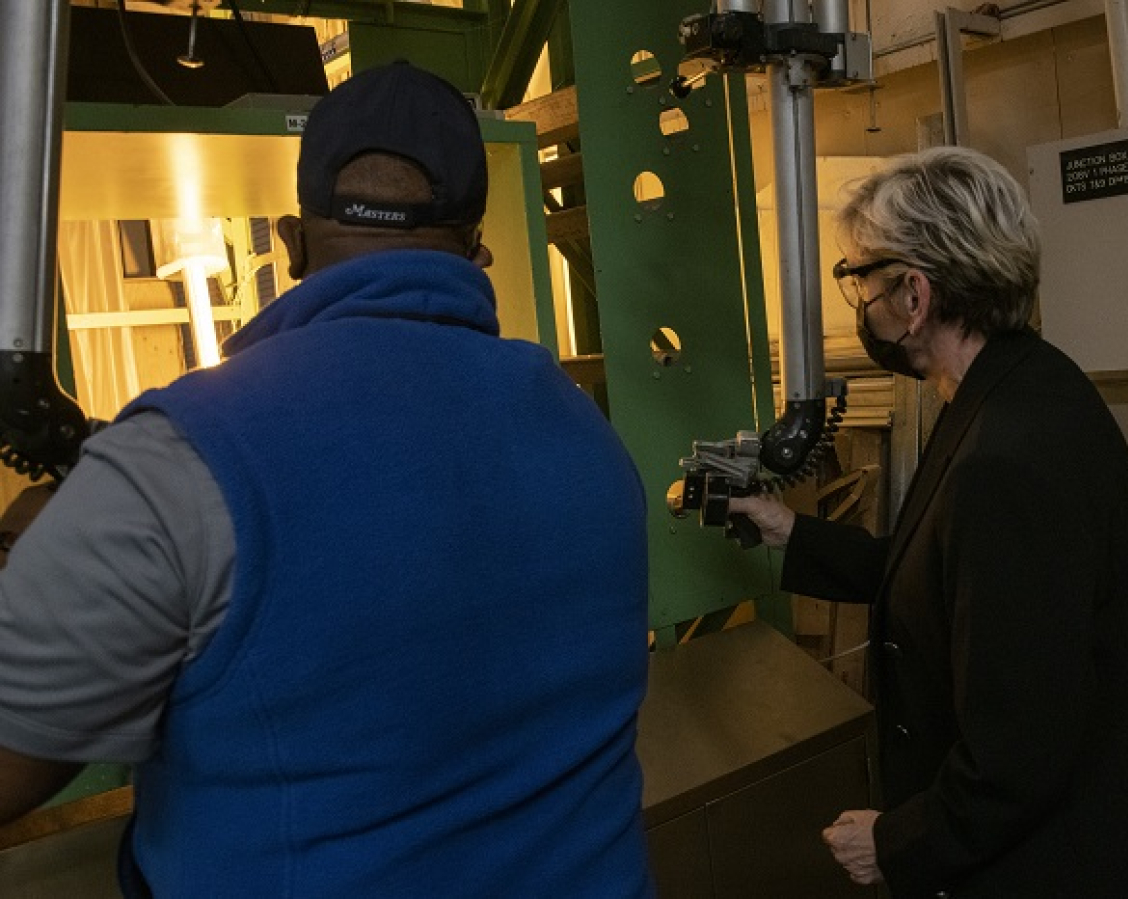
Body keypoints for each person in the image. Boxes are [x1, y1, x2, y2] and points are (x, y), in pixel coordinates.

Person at [0, 61, 653, 897]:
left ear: (291, 240)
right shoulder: (588, 433)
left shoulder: (176, 458)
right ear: (477, 249)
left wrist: (37, 546)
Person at [731, 146, 1128, 897]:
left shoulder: (1007, 453)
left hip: (1087, 860)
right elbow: (938, 573)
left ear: (914, 295)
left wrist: (894, 842)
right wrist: (789, 530)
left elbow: (1019, 751)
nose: (858, 300)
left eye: (861, 278)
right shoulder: (1014, 385)